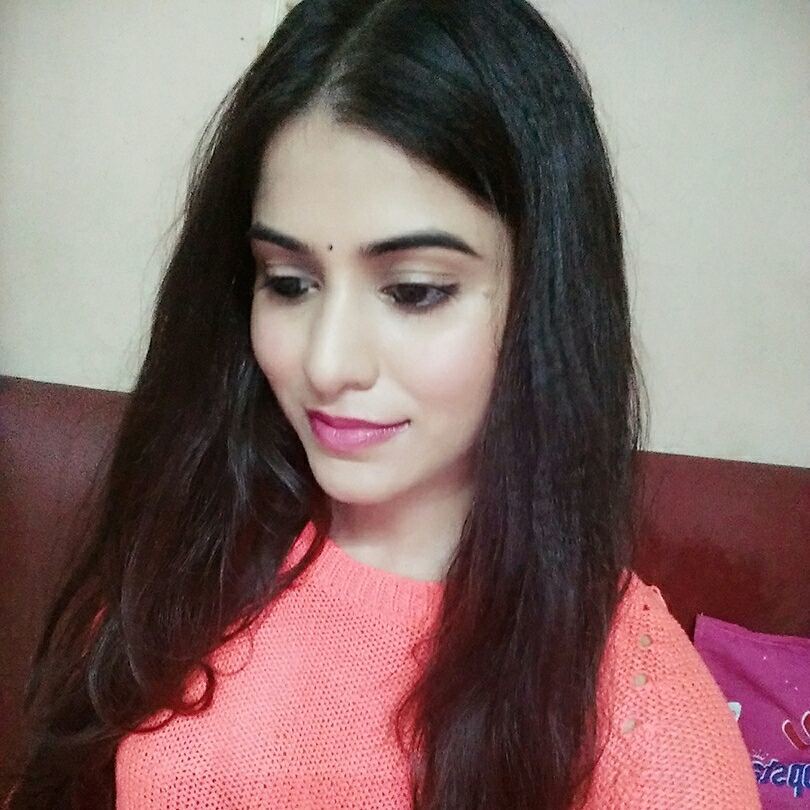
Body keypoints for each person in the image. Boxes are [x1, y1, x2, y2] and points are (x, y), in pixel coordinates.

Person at [3, 1, 761, 808]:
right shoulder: (195, 544)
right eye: (288, 283)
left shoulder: (639, 710)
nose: (328, 363)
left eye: (414, 291)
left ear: (544, 297)